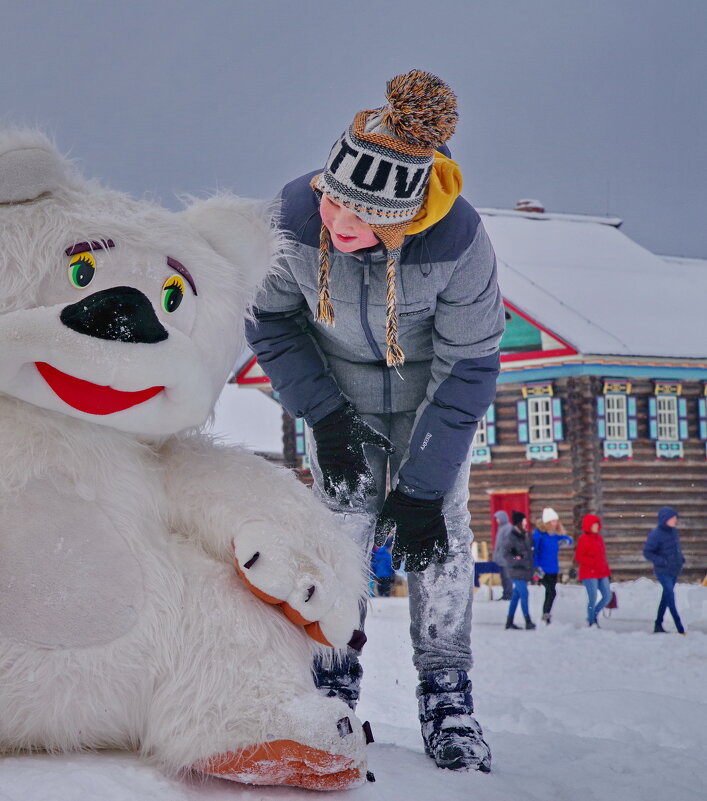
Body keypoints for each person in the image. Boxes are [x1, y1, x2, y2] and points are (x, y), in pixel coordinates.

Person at [245, 70, 503, 773]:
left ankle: (447, 697)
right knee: (336, 536)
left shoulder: (458, 240)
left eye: (359, 217)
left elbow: (470, 367)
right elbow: (267, 319)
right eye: (333, 202)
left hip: (431, 407)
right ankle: (329, 685)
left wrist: (420, 486)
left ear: (402, 217)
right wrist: (325, 419)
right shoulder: (295, 217)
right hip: (342, 405)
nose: (337, 221)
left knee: (440, 539)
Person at [643, 506, 685, 634]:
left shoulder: (673, 531)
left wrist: (680, 559)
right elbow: (647, 552)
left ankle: (658, 625)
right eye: (672, 518)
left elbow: (675, 549)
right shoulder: (656, 534)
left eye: (675, 518)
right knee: (671, 599)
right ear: (665, 519)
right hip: (663, 571)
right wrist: (663, 561)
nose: (675, 520)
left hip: (673, 570)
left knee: (666, 598)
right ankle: (680, 628)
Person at [532, 508, 572, 624]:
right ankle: (546, 615)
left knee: (551, 592)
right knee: (551, 591)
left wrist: (566, 541)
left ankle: (546, 614)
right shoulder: (539, 534)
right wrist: (536, 567)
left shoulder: (554, 536)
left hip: (553, 569)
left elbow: (568, 539)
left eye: (556, 521)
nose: (555, 524)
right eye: (552, 521)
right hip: (542, 570)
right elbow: (534, 551)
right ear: (547, 522)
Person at [497, 511, 535, 630]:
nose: (525, 523)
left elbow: (529, 552)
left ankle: (509, 621)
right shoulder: (511, 536)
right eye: (523, 521)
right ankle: (527, 620)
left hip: (525, 570)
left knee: (516, 596)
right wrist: (517, 559)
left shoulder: (525, 535)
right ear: (518, 523)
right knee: (524, 594)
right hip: (516, 570)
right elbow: (506, 554)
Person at [572, 514, 611, 627]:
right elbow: (579, 557)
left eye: (597, 524)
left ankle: (593, 614)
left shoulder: (599, 538)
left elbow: (603, 556)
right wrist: (592, 561)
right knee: (592, 597)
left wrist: (607, 572)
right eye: (594, 525)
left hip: (602, 572)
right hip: (589, 573)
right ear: (588, 526)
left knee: (607, 596)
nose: (596, 527)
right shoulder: (583, 539)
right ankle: (591, 621)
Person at [492, 510, 514, 601]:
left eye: (498, 518)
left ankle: (509, 594)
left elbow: (509, 543)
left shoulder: (508, 528)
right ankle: (505, 594)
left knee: (507, 577)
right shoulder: (501, 528)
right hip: (501, 558)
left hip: (506, 558)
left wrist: (505, 553)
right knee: (503, 577)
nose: (497, 520)